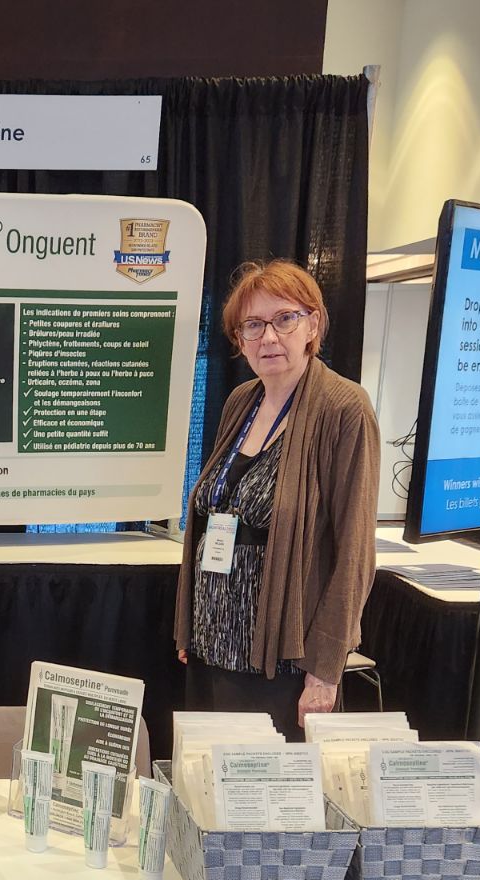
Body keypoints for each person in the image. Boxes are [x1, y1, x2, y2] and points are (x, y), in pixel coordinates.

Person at [174, 260, 380, 739]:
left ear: (313, 324)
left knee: (261, 801)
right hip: (213, 643)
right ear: (239, 340)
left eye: (284, 318)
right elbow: (213, 514)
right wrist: (190, 621)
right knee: (208, 787)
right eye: (253, 325)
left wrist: (327, 668)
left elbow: (355, 552)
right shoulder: (242, 401)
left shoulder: (344, 409)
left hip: (280, 662)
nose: (269, 336)